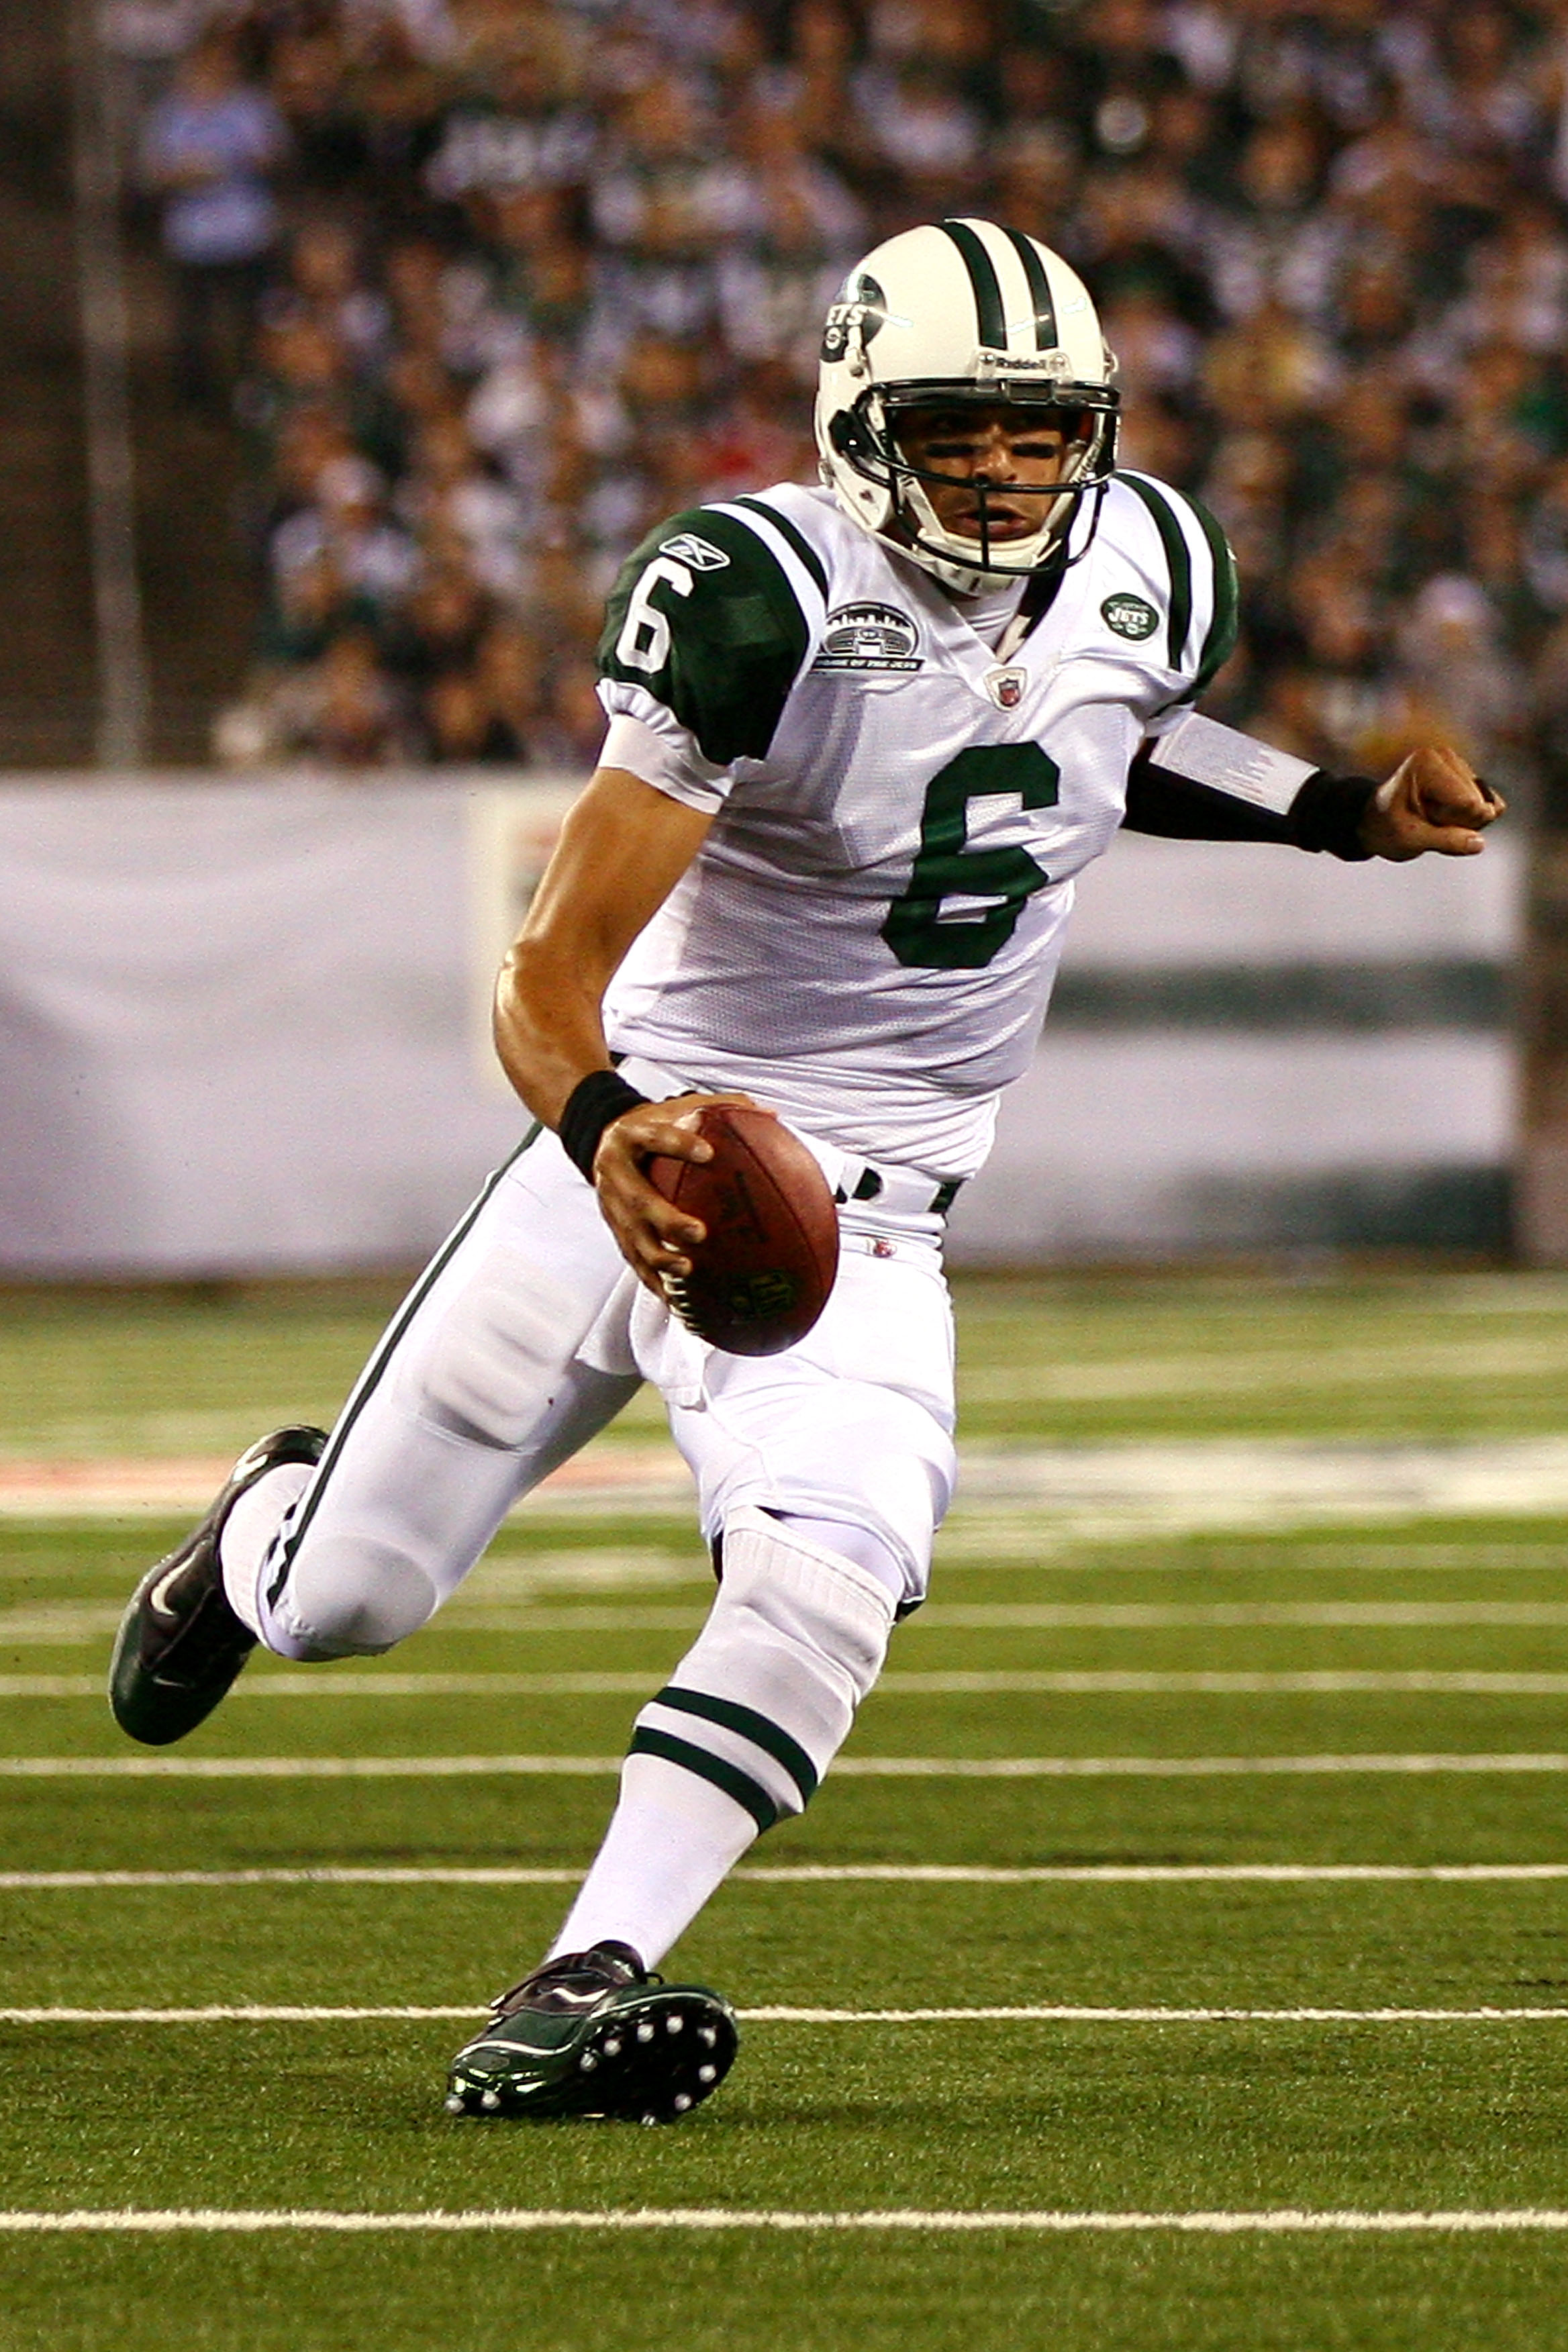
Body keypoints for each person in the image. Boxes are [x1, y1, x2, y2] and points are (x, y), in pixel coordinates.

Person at [109, 219, 1501, 2125]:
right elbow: (544, 979)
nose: (1010, 474)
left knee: (837, 1568)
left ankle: (577, 1978)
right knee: (351, 1604)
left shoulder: (1157, 561)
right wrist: (610, 1136)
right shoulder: (760, 590)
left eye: (1044, 434)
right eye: (961, 432)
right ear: (861, 421)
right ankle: (267, 1529)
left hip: (868, 1216)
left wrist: (1338, 812)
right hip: (650, 1137)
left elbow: (1106, 746)